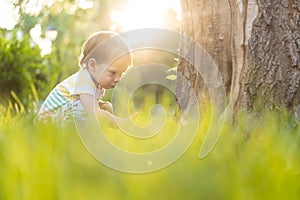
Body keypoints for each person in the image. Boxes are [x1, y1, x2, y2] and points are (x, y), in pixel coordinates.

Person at [38, 31, 132, 123]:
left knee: (105, 107)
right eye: (112, 73)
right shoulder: (83, 81)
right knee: (81, 107)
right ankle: (75, 134)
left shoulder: (93, 83)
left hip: (59, 118)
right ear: (93, 65)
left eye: (121, 74)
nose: (118, 79)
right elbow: (94, 113)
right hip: (47, 122)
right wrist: (121, 123)